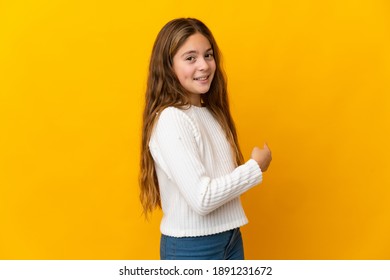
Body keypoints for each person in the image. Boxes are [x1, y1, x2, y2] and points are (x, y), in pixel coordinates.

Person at [140, 18, 272, 260]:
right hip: (193, 247)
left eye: (208, 55)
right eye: (190, 58)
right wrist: (255, 168)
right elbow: (202, 198)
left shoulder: (211, 113)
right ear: (168, 66)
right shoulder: (171, 119)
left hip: (230, 237)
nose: (204, 65)